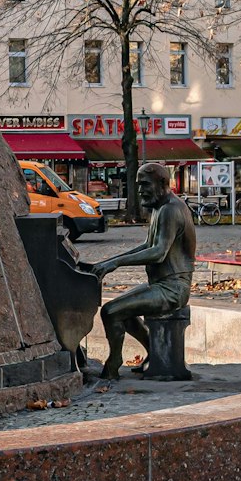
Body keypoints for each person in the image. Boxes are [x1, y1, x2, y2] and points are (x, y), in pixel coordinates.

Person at [87, 163, 196, 381]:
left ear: (163, 184)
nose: (140, 191)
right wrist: (108, 262)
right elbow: (148, 245)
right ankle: (153, 353)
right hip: (161, 285)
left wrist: (115, 264)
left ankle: (114, 363)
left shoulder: (171, 210)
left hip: (173, 289)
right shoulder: (160, 208)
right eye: (138, 185)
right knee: (120, 310)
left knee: (111, 312)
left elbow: (158, 253)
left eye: (145, 184)